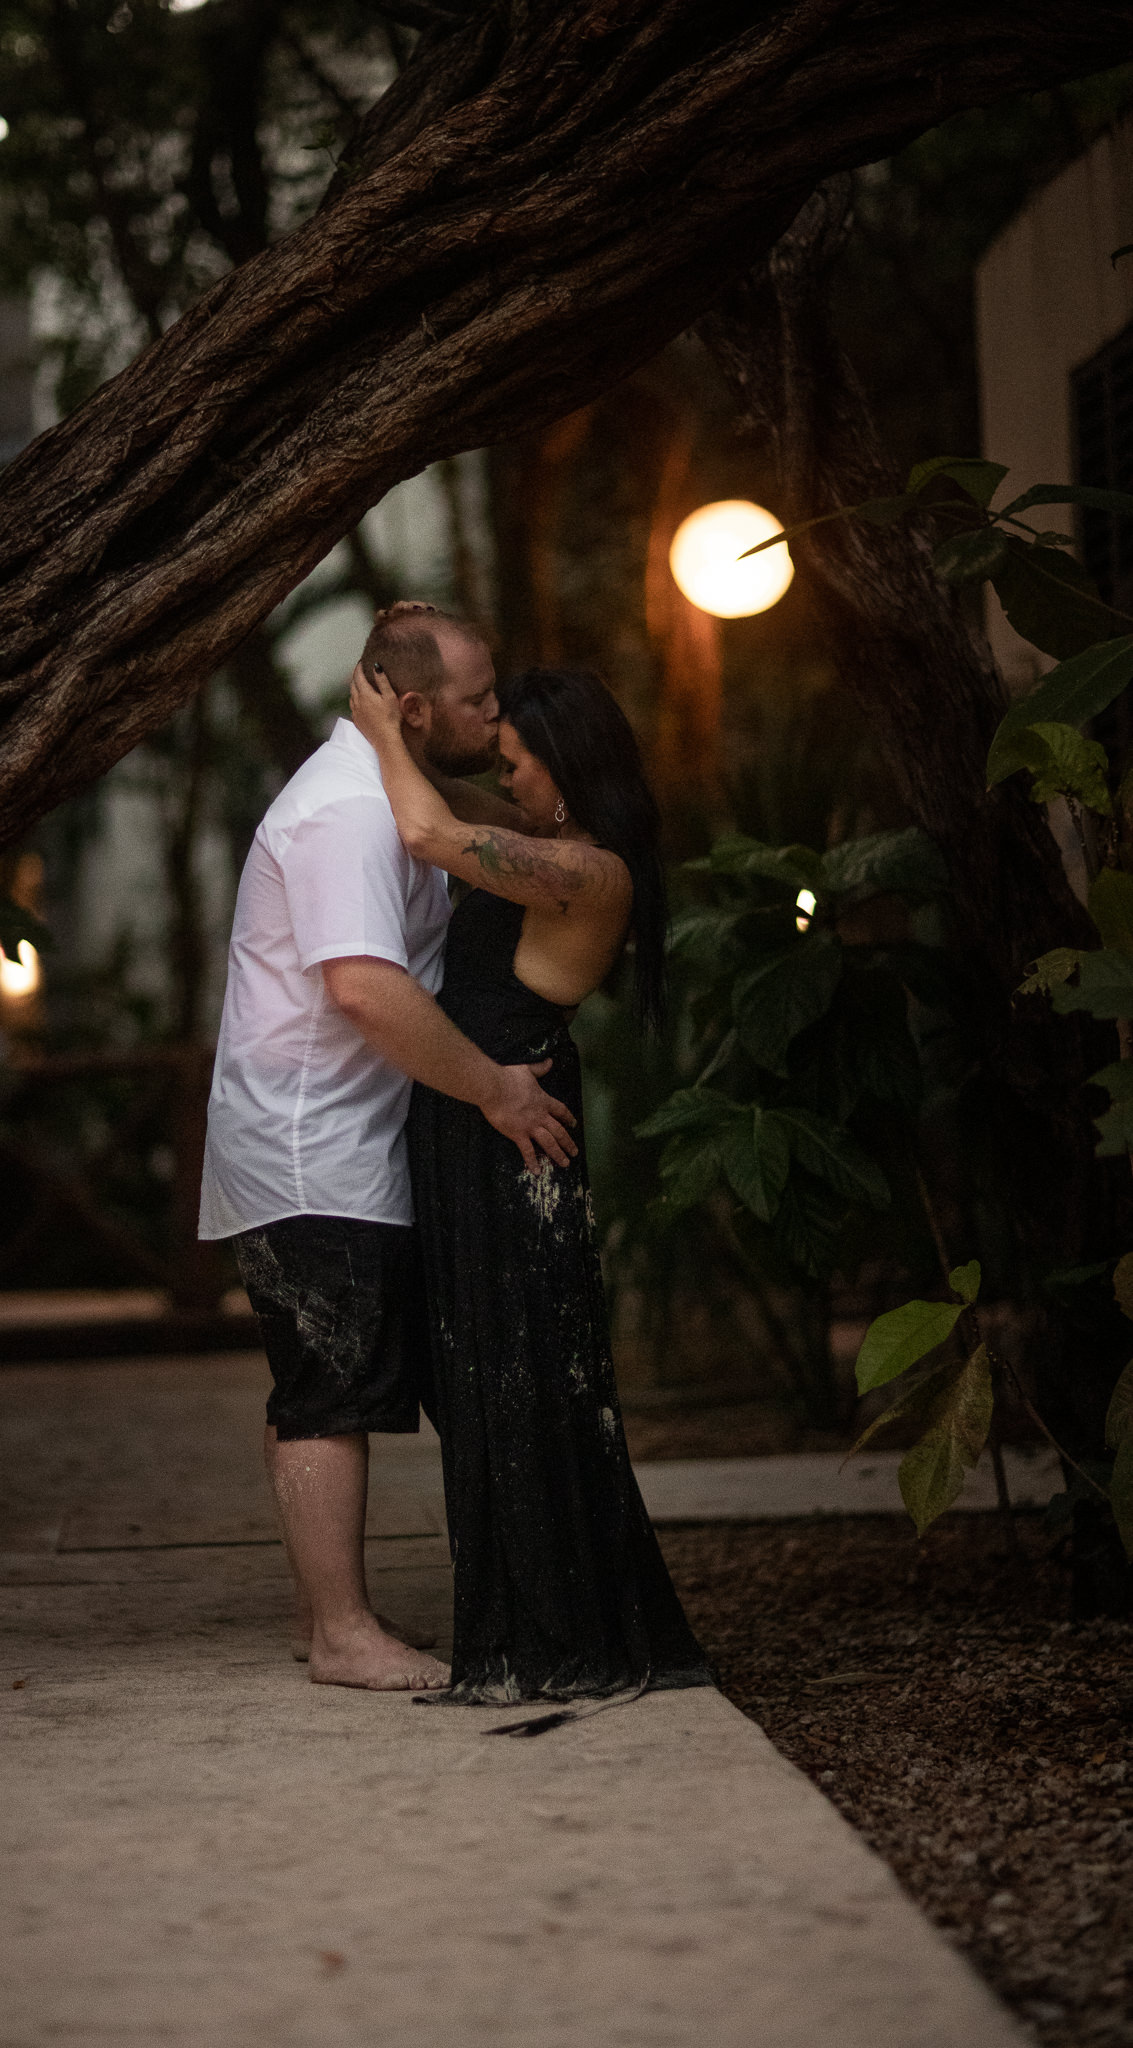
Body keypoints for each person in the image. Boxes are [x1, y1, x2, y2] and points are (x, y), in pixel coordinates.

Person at [199, 603, 577, 1692]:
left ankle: (326, 1610)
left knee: (323, 1376)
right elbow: (364, 988)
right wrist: (498, 1090)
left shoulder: (387, 793)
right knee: (328, 1384)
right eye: (478, 701)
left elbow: (454, 820)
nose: (496, 714)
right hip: (311, 1144)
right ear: (410, 710)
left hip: (335, 1137)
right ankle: (342, 1632)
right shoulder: (345, 815)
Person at [350, 654, 713, 1704]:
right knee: (482, 1377)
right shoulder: (547, 844)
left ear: (567, 765)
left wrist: (381, 734)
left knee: (526, 1377)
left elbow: (427, 830)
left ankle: (554, 1634)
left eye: (518, 763)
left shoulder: (587, 872)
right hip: (480, 1120)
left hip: (516, 1138)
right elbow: (451, 802)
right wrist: (412, 740)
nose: (504, 780)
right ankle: (523, 1627)